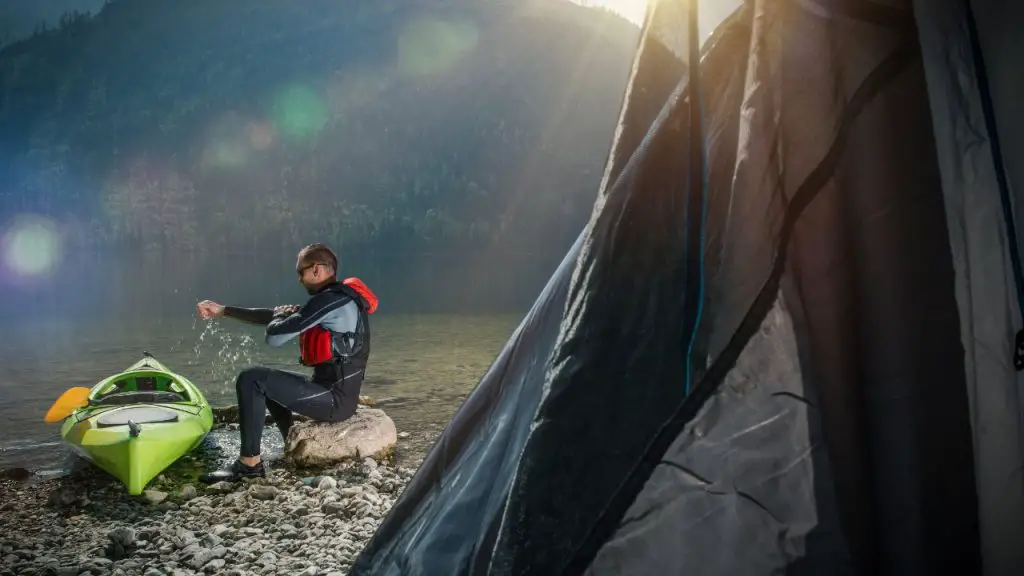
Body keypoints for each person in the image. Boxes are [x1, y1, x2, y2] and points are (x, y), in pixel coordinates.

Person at [194, 243, 378, 483]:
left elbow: (275, 337)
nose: (299, 280)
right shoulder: (337, 299)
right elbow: (273, 315)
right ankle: (289, 442)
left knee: (252, 379)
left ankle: (249, 464)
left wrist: (281, 317)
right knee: (267, 381)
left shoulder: (331, 301)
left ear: (317, 270)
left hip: (335, 402)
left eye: (300, 272)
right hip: (330, 394)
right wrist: (223, 311)